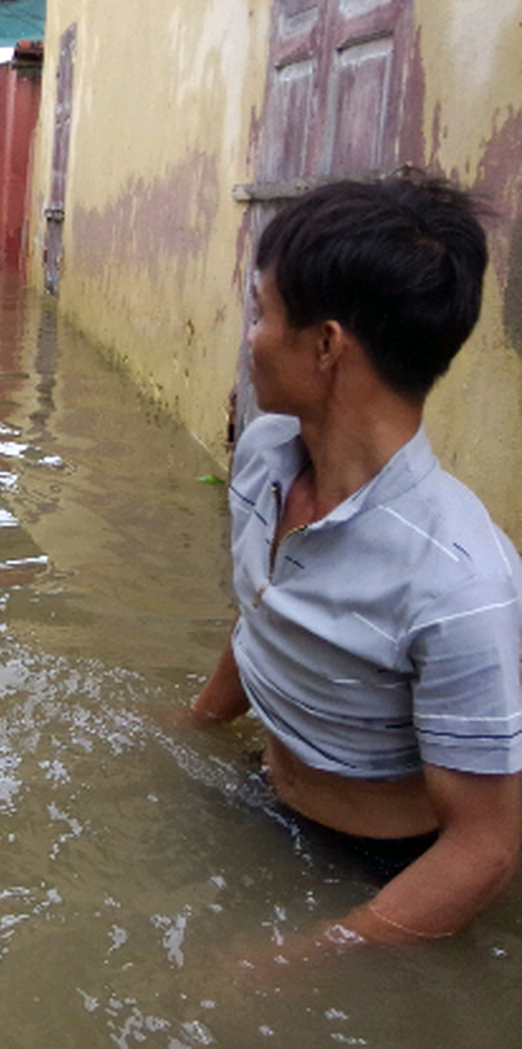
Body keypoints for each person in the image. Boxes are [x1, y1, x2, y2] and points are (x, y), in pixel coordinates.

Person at [190, 173, 522, 952]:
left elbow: (485, 848)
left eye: (261, 312)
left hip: (379, 874)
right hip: (263, 790)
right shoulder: (266, 454)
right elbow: (266, 609)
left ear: (326, 346)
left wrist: (307, 956)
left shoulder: (461, 583)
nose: (249, 336)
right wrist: (198, 720)